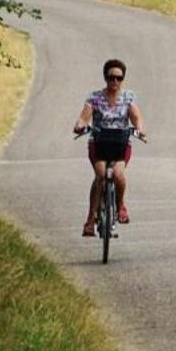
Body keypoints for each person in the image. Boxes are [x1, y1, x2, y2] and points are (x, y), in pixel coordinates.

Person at [73, 58, 147, 236]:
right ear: (105, 78)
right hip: (99, 141)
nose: (115, 82)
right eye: (111, 77)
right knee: (100, 176)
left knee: (118, 174)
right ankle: (91, 219)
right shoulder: (95, 97)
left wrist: (139, 129)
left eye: (119, 78)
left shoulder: (128, 97)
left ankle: (120, 205)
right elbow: (84, 116)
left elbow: (136, 117)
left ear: (123, 79)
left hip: (121, 142)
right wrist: (80, 125)